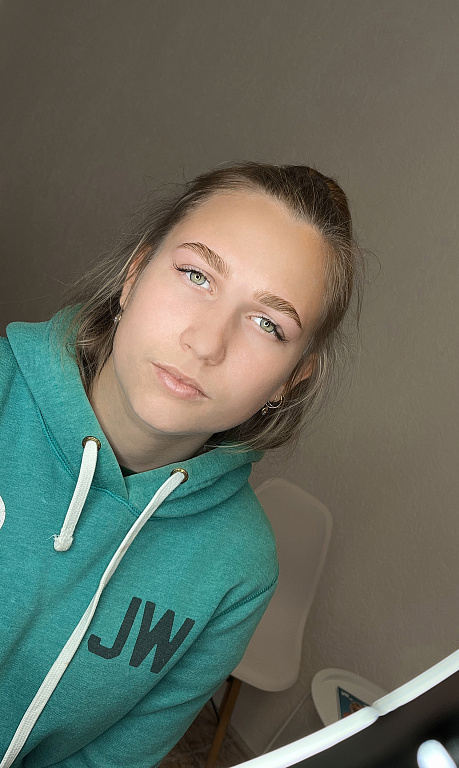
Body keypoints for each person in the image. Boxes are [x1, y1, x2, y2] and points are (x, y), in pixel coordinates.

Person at [0, 162, 364, 768]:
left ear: (293, 376)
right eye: (197, 275)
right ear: (134, 274)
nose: (206, 342)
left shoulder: (241, 570)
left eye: (268, 324)